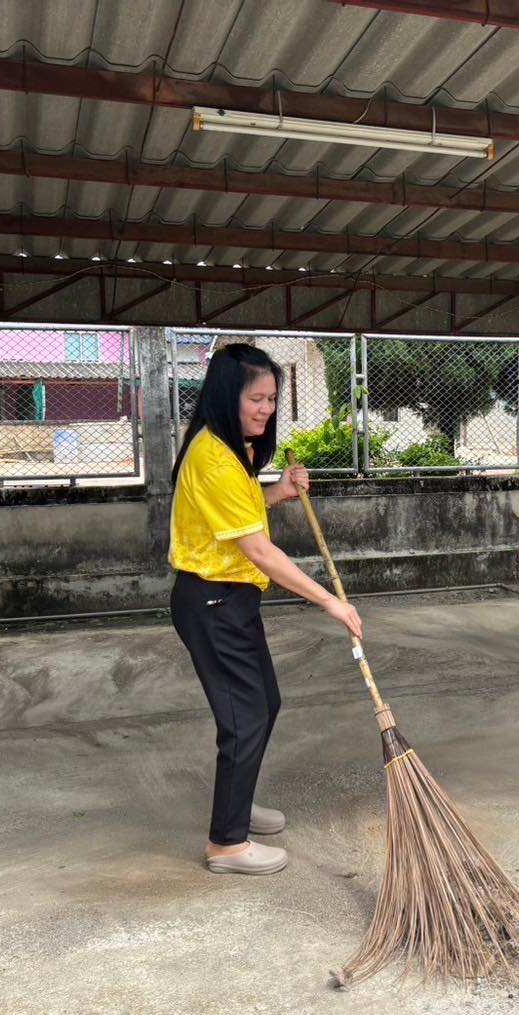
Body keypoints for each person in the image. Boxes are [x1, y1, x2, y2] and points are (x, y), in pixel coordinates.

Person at [169, 343, 363, 876]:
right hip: (212, 599)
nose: (267, 409)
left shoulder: (231, 451)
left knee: (264, 704)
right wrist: (330, 601)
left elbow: (243, 513)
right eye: (256, 398)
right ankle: (226, 844)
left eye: (272, 399)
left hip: (232, 597)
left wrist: (279, 491)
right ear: (226, 395)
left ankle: (237, 801)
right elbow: (258, 549)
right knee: (245, 715)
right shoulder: (213, 457)